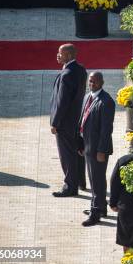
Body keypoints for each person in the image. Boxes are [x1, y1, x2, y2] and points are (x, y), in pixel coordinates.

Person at [78, 71, 115, 226]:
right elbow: (82, 121)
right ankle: (101, 207)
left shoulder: (106, 101)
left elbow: (106, 130)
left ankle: (95, 213)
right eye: (90, 81)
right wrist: (80, 144)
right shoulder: (88, 97)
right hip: (87, 146)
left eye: (94, 82)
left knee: (97, 181)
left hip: (98, 150)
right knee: (94, 180)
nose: (91, 84)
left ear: (101, 83)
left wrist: (101, 151)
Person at [50, 43, 87, 197]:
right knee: (76, 151)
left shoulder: (66, 75)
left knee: (67, 155)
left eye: (60, 53)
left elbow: (62, 102)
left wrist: (55, 123)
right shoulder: (81, 70)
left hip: (65, 122)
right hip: (76, 119)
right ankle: (80, 181)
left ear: (69, 55)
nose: (57, 55)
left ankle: (70, 187)